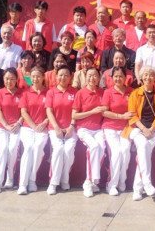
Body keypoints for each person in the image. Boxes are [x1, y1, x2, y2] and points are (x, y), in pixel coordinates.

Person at [124, 66, 155, 201]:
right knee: (143, 146)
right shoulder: (135, 93)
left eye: (151, 75)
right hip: (137, 129)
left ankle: (137, 189)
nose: (148, 77)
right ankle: (147, 183)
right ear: (141, 77)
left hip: (153, 130)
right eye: (145, 75)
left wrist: (151, 130)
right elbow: (132, 115)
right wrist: (143, 129)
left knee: (144, 152)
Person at [72, 67, 107, 197]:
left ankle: (93, 182)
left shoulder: (103, 92)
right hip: (84, 128)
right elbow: (74, 115)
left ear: (99, 78)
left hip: (98, 129)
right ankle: (88, 182)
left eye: (94, 76)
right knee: (94, 147)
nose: (92, 78)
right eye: (89, 75)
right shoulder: (80, 93)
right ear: (85, 77)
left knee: (102, 149)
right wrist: (92, 112)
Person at [45, 65, 78, 195]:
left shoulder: (75, 92)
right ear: (56, 76)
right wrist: (56, 128)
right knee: (58, 150)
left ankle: (65, 179)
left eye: (66, 75)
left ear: (70, 77)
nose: (63, 77)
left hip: (71, 127)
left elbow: (77, 111)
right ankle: (53, 183)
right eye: (60, 75)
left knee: (68, 150)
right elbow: (49, 111)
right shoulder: (51, 92)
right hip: (55, 128)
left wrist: (71, 126)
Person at [101, 67, 134, 195]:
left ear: (125, 78)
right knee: (116, 152)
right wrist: (120, 116)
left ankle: (122, 180)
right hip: (110, 128)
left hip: (125, 129)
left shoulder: (131, 92)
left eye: (121, 76)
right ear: (112, 78)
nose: (118, 79)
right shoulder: (108, 92)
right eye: (115, 76)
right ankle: (111, 184)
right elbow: (104, 112)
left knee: (125, 152)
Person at [18, 66, 50, 194]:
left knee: (38, 148)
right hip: (28, 127)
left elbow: (51, 111)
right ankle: (22, 184)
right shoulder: (26, 93)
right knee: (29, 148)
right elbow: (23, 112)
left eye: (38, 76)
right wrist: (33, 126)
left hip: (43, 127)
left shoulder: (48, 93)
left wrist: (44, 122)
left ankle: (32, 180)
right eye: (33, 77)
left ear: (43, 78)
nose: (35, 79)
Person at [0, 68, 23, 193]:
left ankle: (10, 179)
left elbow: (24, 111)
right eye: (6, 79)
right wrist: (6, 125)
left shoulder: (22, 93)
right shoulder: (0, 92)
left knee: (13, 148)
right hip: (2, 127)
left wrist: (18, 123)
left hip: (17, 126)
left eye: (12, 79)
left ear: (16, 80)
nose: (9, 81)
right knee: (3, 149)